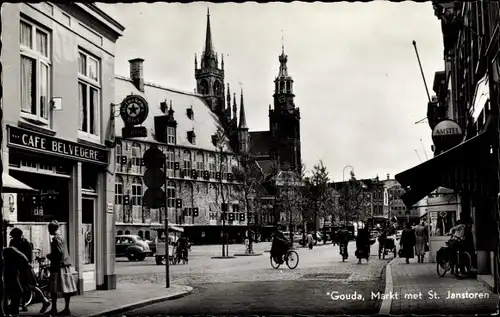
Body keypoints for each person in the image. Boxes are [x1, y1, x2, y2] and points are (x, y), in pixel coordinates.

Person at [9, 228, 51, 313]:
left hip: (25, 268)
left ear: (19, 236)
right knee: (22, 286)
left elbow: (28, 258)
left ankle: (44, 300)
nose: (13, 238)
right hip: (18, 268)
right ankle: (23, 305)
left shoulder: (27, 244)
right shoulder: (13, 242)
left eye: (14, 236)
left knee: (30, 286)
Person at [47, 220, 77, 316]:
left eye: (49, 229)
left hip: (59, 266)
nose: (48, 231)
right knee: (65, 288)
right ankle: (63, 308)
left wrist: (50, 256)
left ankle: (56, 308)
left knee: (54, 289)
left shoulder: (56, 238)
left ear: (53, 228)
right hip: (64, 264)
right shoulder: (60, 237)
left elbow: (59, 253)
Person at [3, 246, 28, 315]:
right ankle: (13, 311)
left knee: (14, 292)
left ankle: (12, 311)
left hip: (11, 271)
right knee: (16, 292)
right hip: (13, 271)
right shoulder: (11, 250)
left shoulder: (8, 251)